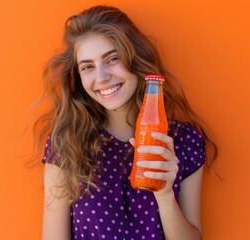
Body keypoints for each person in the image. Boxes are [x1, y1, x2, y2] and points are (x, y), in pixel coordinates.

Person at [34, 5, 216, 240]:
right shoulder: (66, 142)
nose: (101, 77)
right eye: (87, 67)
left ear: (134, 58)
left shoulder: (183, 141)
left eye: (112, 59)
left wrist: (164, 194)